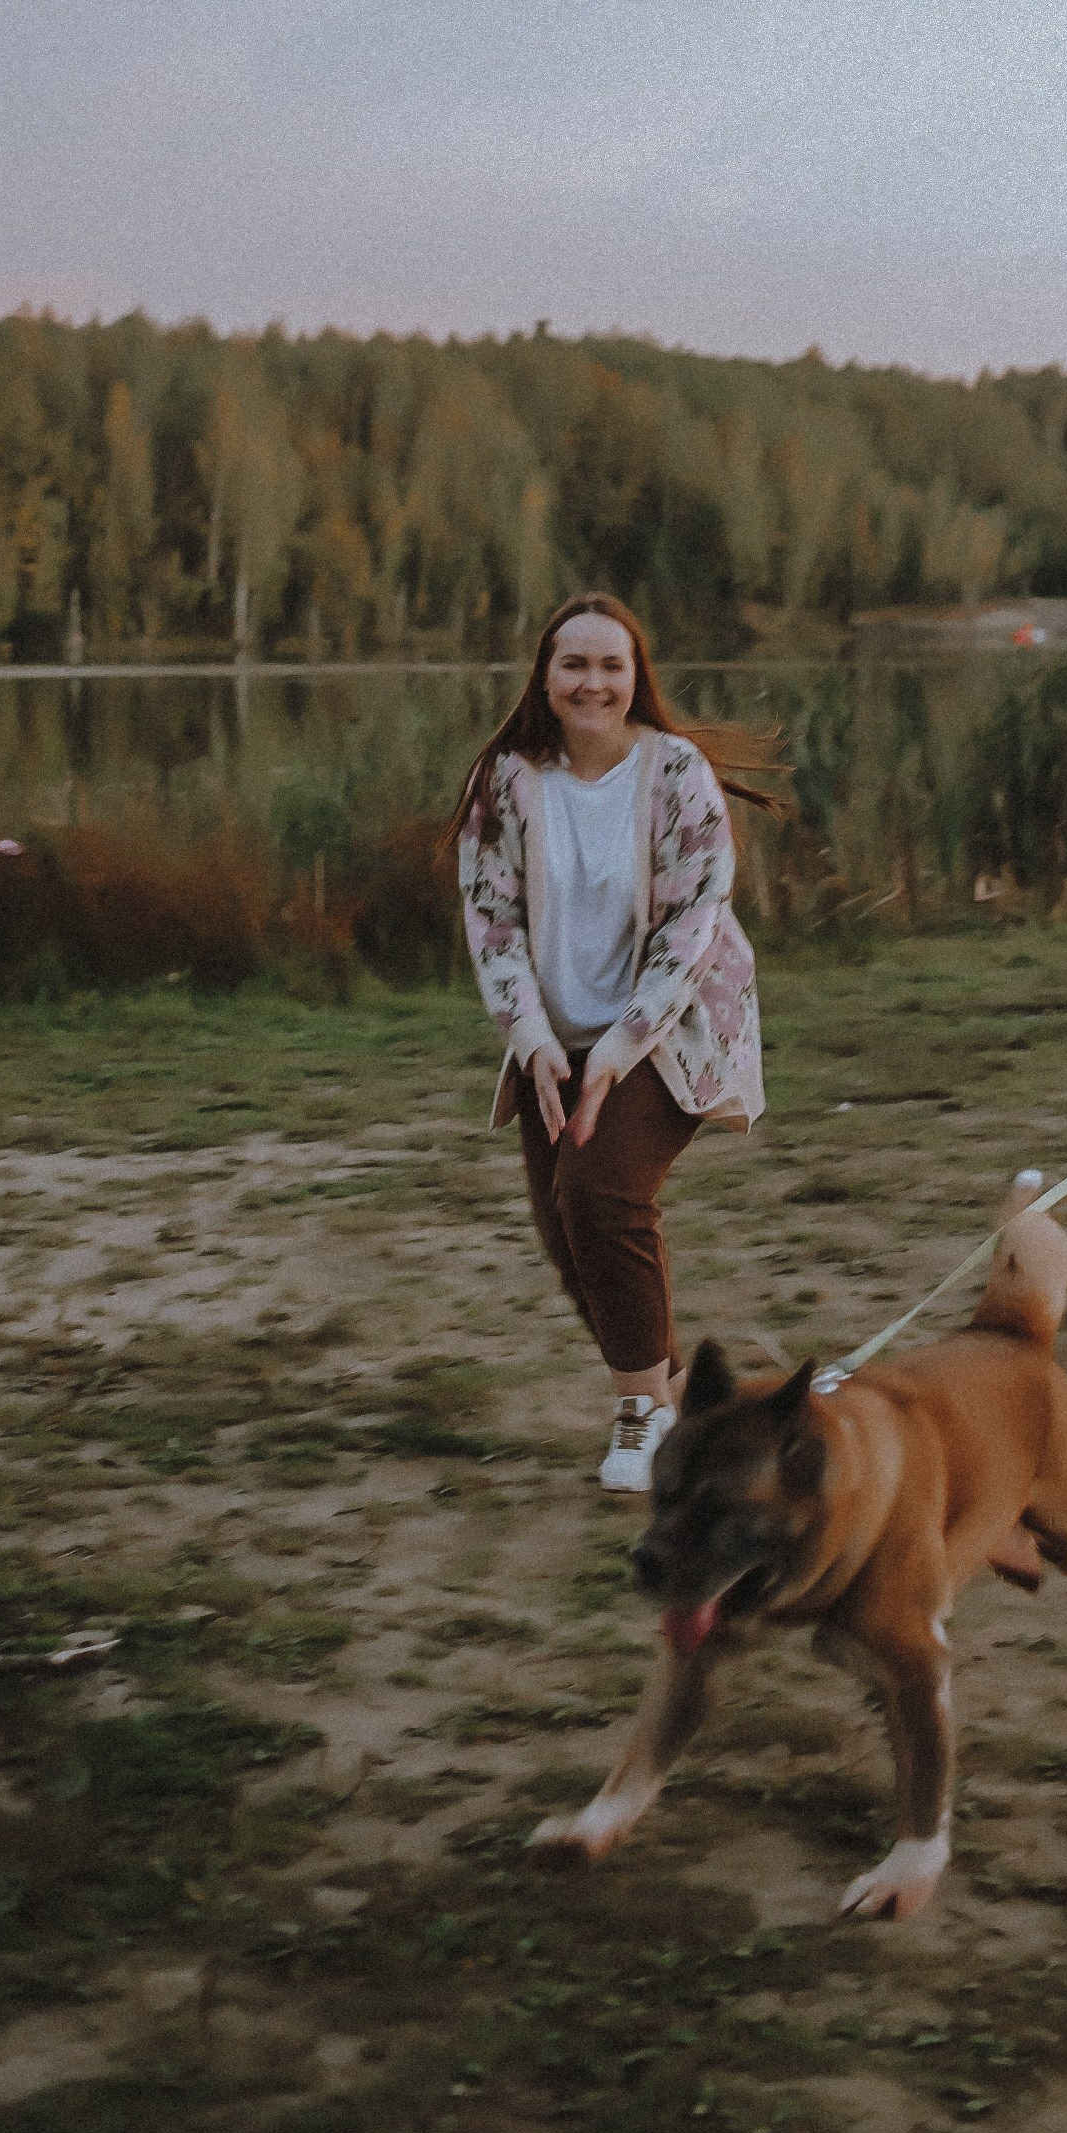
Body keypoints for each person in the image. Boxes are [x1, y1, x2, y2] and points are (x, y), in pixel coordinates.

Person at [454, 595, 770, 1490]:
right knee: (568, 1238)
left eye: (611, 666)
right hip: (555, 1035)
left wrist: (619, 1052)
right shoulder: (506, 779)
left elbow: (690, 927)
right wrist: (532, 1039)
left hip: (668, 1029)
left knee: (599, 1196)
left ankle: (643, 1422)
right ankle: (697, 1416)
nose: (592, 683)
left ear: (636, 679)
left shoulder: (676, 775)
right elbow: (492, 923)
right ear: (545, 678)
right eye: (574, 665)